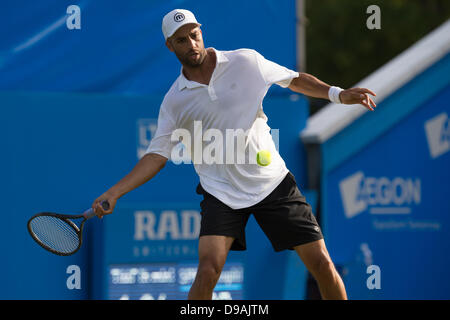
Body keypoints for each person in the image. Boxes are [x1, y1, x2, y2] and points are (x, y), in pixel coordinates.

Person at [92, 9, 376, 300]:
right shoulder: (174, 101)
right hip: (221, 193)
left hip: (273, 183)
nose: (191, 44)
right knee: (208, 271)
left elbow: (293, 80)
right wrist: (114, 192)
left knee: (322, 263)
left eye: (194, 35)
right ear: (170, 46)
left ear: (201, 32)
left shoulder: (245, 62)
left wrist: (337, 94)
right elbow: (156, 156)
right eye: (181, 40)